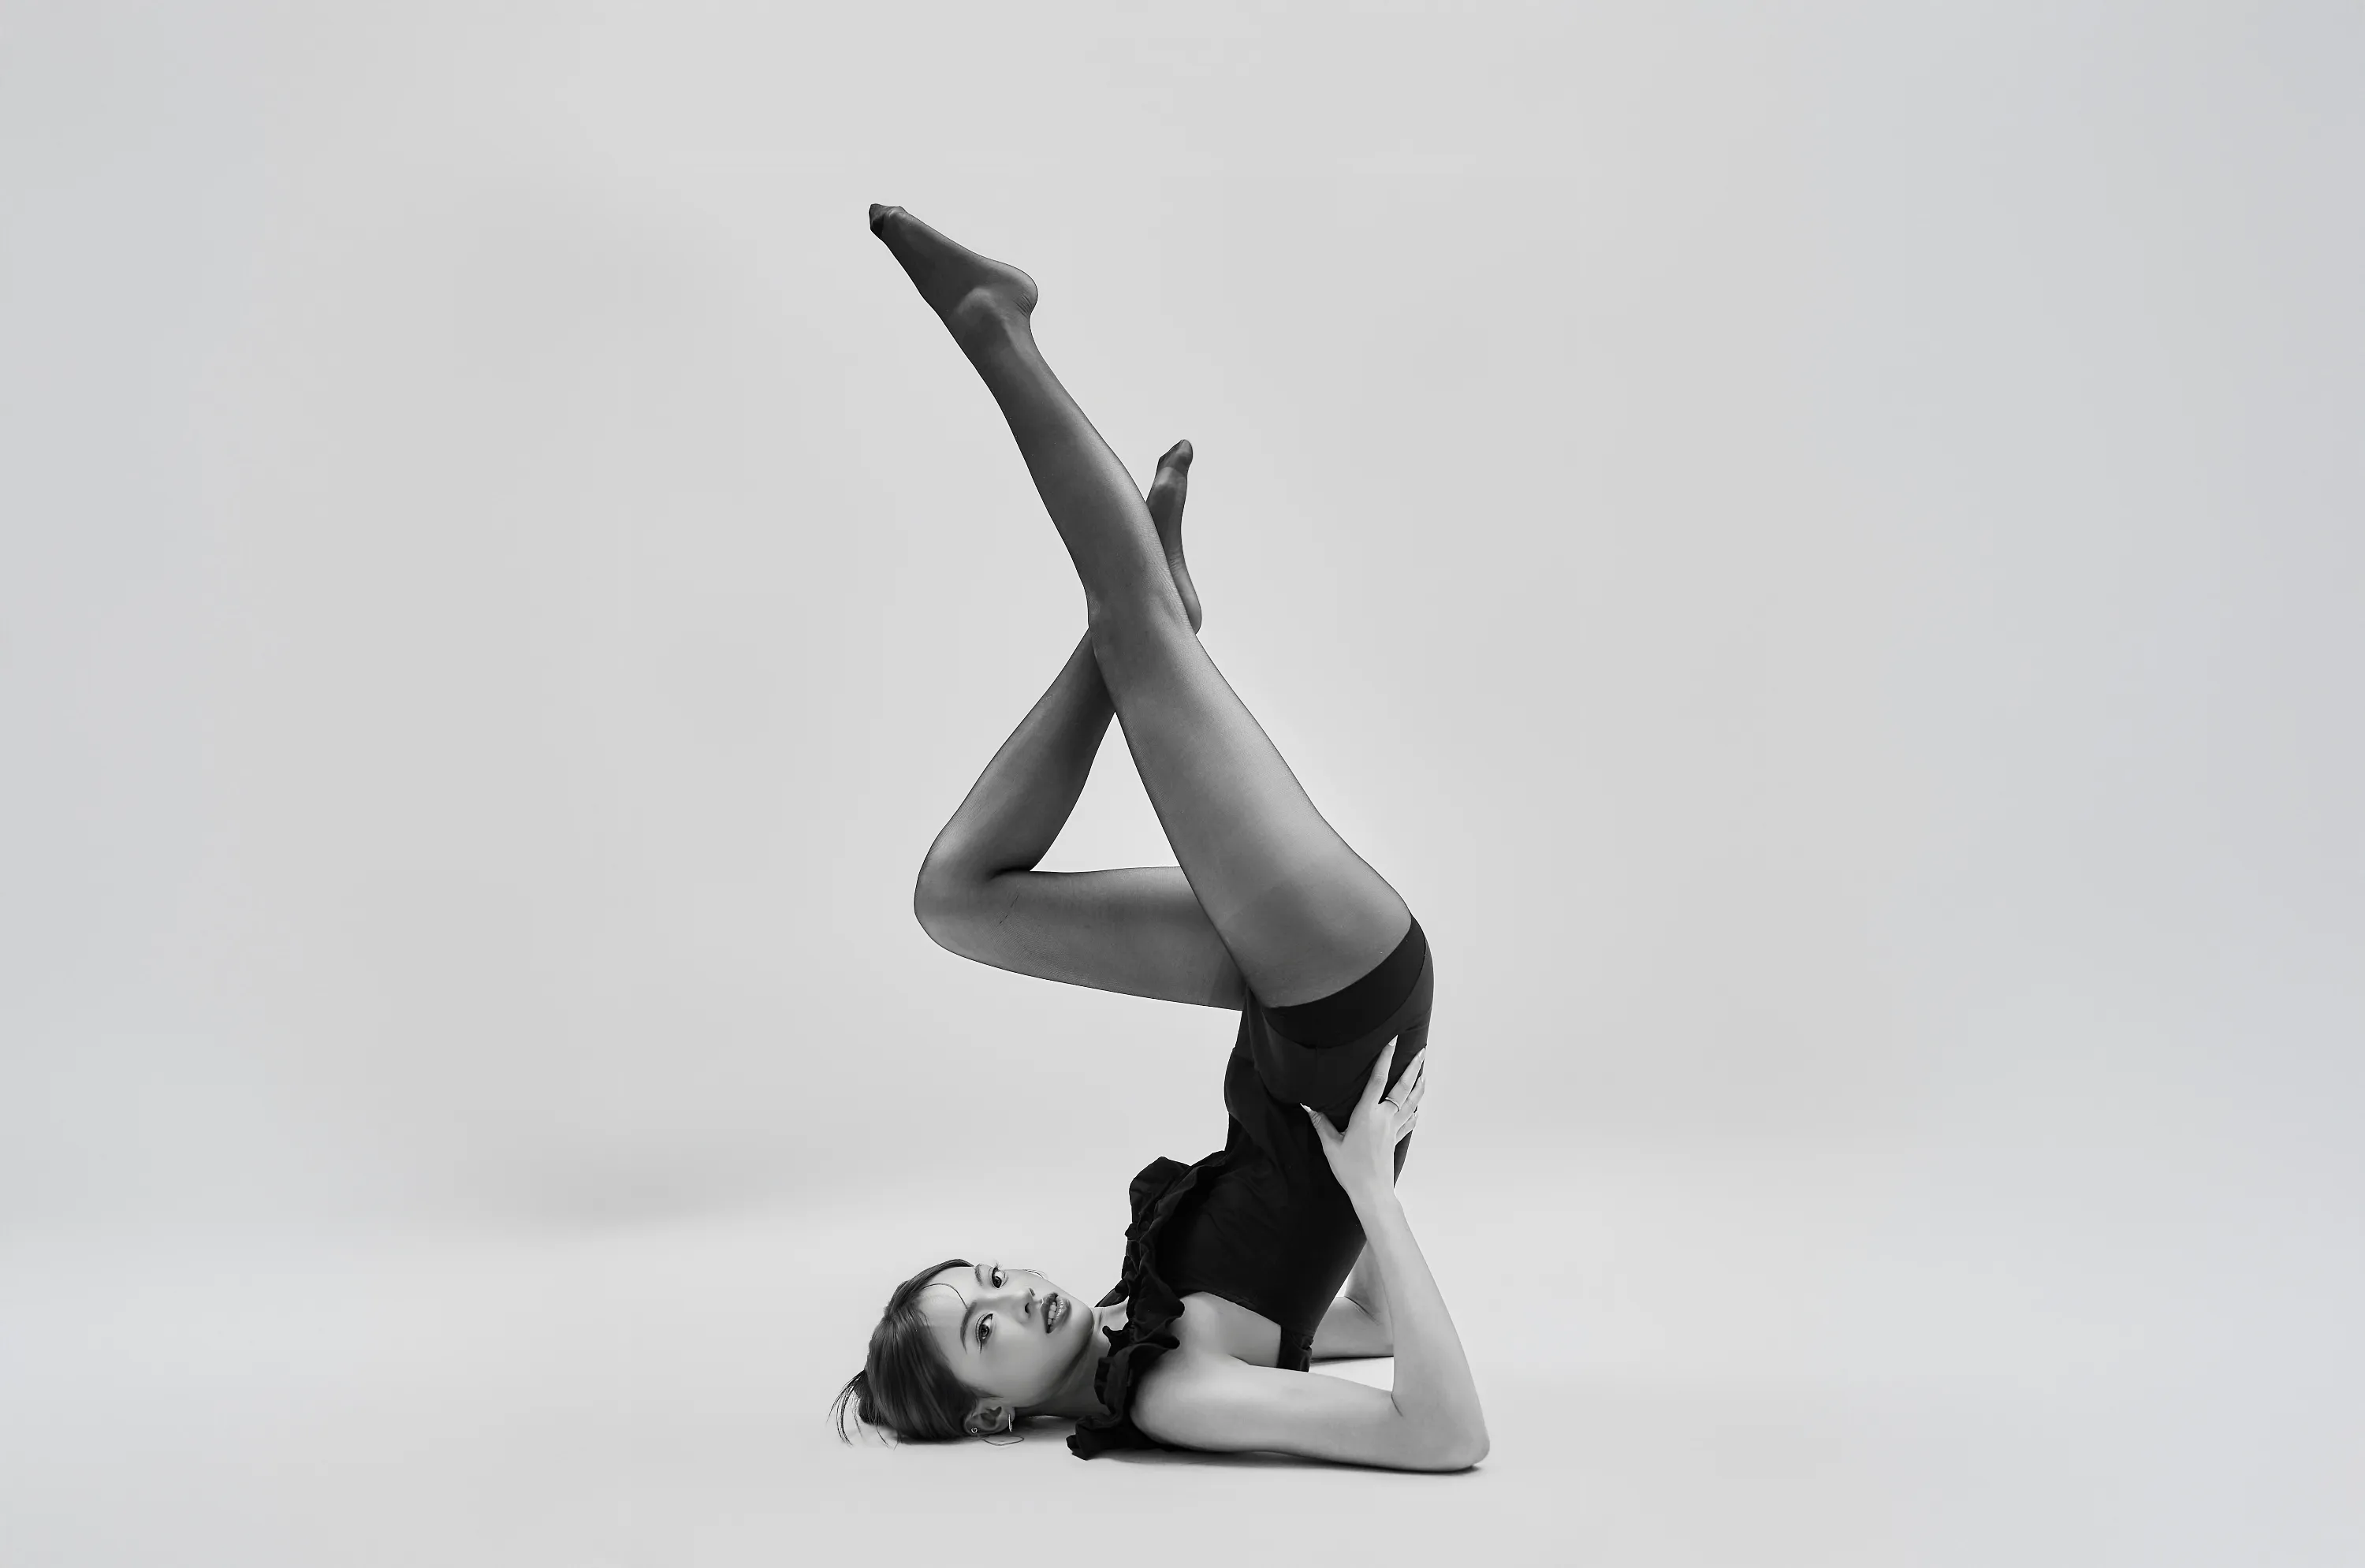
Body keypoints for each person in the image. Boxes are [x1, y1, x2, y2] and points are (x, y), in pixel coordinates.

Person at [827, 207, 1488, 1471]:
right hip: (1338, 996)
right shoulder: (1171, 1394)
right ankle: (996, 329)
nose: (1015, 1294)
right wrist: (1370, 1186)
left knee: (955, 900)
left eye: (989, 1278)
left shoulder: (1146, 1317)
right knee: (1133, 618)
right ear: (994, 1413)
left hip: (1285, 1015)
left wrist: (1364, 1213)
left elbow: (1354, 1323)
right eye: (983, 1330)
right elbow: (1444, 1436)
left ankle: (1144, 627)